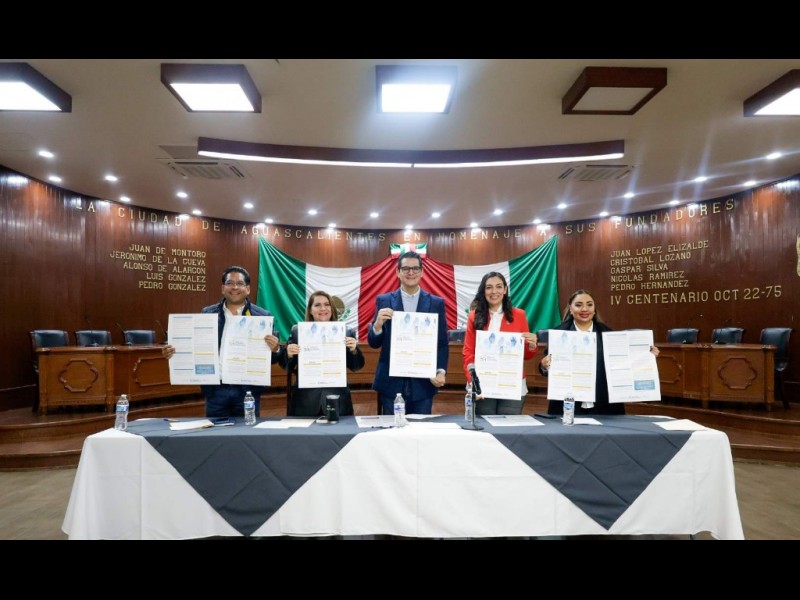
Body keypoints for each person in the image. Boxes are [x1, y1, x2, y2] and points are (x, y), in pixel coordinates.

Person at [163, 266, 281, 418]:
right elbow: (196, 347)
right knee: (215, 431)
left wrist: (276, 349)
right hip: (216, 391)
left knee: (247, 431)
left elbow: (273, 359)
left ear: (248, 289)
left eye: (240, 283)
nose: (235, 287)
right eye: (230, 283)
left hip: (247, 391)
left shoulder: (262, 317)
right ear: (223, 288)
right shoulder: (207, 314)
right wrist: (174, 352)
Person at [540, 288, 659, 416]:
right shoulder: (558, 334)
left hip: (603, 403)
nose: (585, 309)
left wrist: (647, 356)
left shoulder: (608, 334)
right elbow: (546, 368)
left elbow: (625, 363)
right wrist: (544, 365)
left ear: (594, 309)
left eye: (589, 305)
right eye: (578, 305)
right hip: (568, 404)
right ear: (570, 308)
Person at [368, 251, 449, 415]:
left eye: (415, 268)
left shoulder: (436, 303)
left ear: (422, 271)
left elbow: (441, 343)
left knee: (420, 428)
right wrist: (377, 326)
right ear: (398, 272)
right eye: (405, 268)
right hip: (391, 383)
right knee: (392, 428)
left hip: (423, 383)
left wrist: (440, 371)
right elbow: (374, 343)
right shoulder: (384, 300)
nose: (410, 272)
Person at [462, 272, 538, 415]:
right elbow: (468, 352)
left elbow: (526, 355)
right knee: (485, 425)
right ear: (483, 291)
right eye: (489, 287)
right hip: (483, 381)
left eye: (498, 287)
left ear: (505, 289)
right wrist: (473, 381)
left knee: (509, 426)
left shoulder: (519, 315)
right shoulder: (474, 316)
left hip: (511, 382)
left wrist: (532, 345)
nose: (494, 291)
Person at [280, 290, 365, 417]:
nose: (323, 308)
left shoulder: (346, 332)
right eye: (317, 305)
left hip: (338, 399)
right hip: (306, 401)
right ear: (310, 310)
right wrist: (289, 354)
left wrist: (354, 350)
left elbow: (356, 366)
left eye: (327, 304)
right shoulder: (298, 331)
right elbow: (287, 366)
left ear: (332, 308)